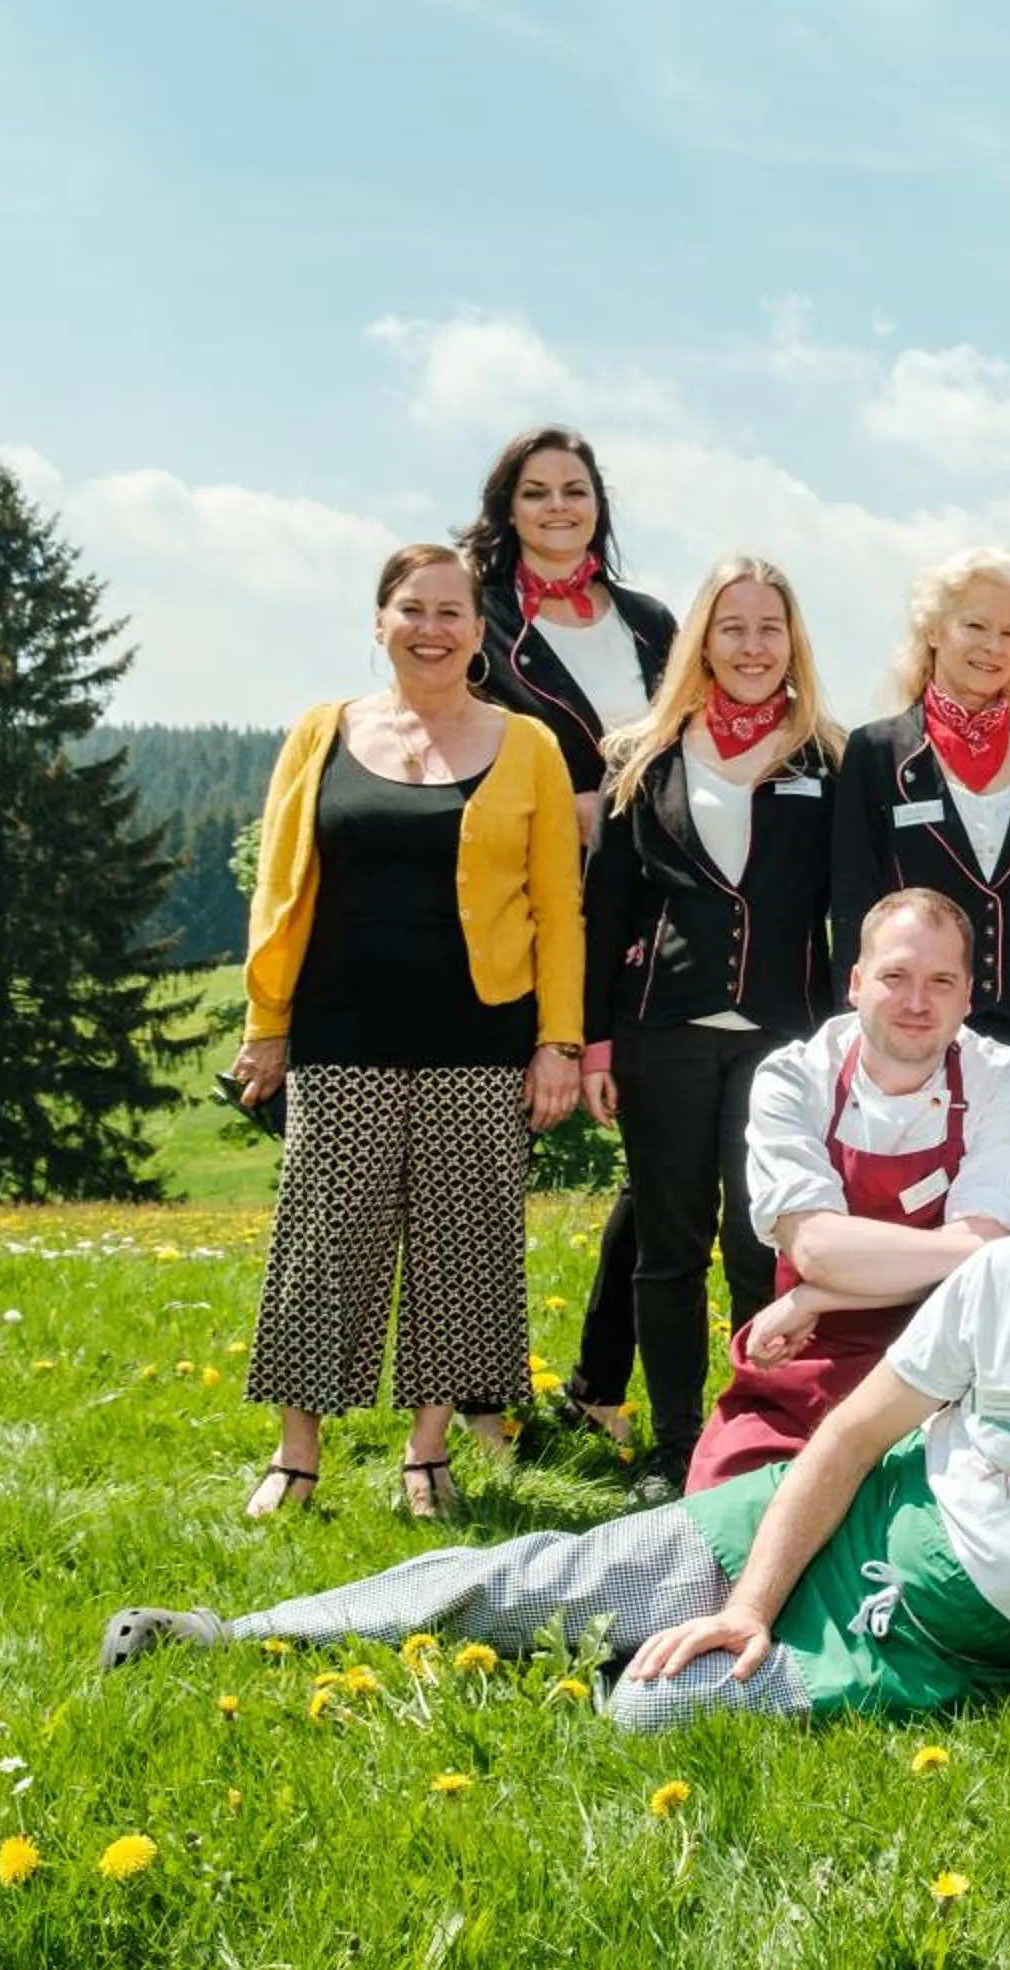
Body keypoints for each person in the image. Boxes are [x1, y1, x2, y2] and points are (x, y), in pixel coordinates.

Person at [100, 1060, 1010, 1730]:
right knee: (531, 1573)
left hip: (938, 1632)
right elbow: (851, 1435)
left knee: (648, 1714)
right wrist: (748, 1597)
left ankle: (622, 1649)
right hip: (836, 1517)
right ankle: (221, 1636)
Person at [228, 543, 584, 1521]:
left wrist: (558, 1040)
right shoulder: (322, 732)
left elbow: (559, 908)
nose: (431, 628)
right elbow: (279, 888)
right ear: (379, 621)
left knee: (463, 1246)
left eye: (450, 611)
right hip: (340, 1026)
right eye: (412, 609)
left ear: (479, 631)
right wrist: (267, 1023)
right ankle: (296, 1457)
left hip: (482, 1032)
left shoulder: (529, 745)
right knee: (322, 1242)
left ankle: (428, 1456)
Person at [580, 556, 847, 1496]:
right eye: (733, 627)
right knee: (670, 1245)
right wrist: (593, 1042)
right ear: (702, 639)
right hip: (663, 1030)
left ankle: (756, 1426)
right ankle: (674, 1440)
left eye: (769, 628)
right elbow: (604, 911)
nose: (752, 646)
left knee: (760, 1245)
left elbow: (847, 908)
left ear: (792, 641)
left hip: (785, 1036)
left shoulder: (827, 758)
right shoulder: (641, 755)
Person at [455, 425, 679, 1459]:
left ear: (599, 505)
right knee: (485, 1162)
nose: (559, 507)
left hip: (643, 914)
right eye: (536, 491)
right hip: (523, 908)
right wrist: (568, 805)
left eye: (575, 490)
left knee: (661, 1156)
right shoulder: (480, 619)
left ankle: (598, 1381)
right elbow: (458, 749)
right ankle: (479, 1400)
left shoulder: (651, 621)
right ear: (506, 509)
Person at [688, 889, 1010, 1490]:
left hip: (952, 1361)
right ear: (855, 983)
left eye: (941, 982)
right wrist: (823, 1281)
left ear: (968, 996)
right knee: (724, 1507)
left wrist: (815, 1296)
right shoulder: (793, 1077)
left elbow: (990, 1264)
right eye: (894, 976)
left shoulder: (1001, 1075)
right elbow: (818, 1249)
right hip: (808, 1360)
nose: (916, 1003)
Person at [830, 549, 1010, 1218]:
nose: (994, 647)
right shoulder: (876, 753)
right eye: (976, 626)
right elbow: (853, 905)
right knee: (902, 1213)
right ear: (933, 631)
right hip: (912, 1028)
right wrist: (849, 1033)